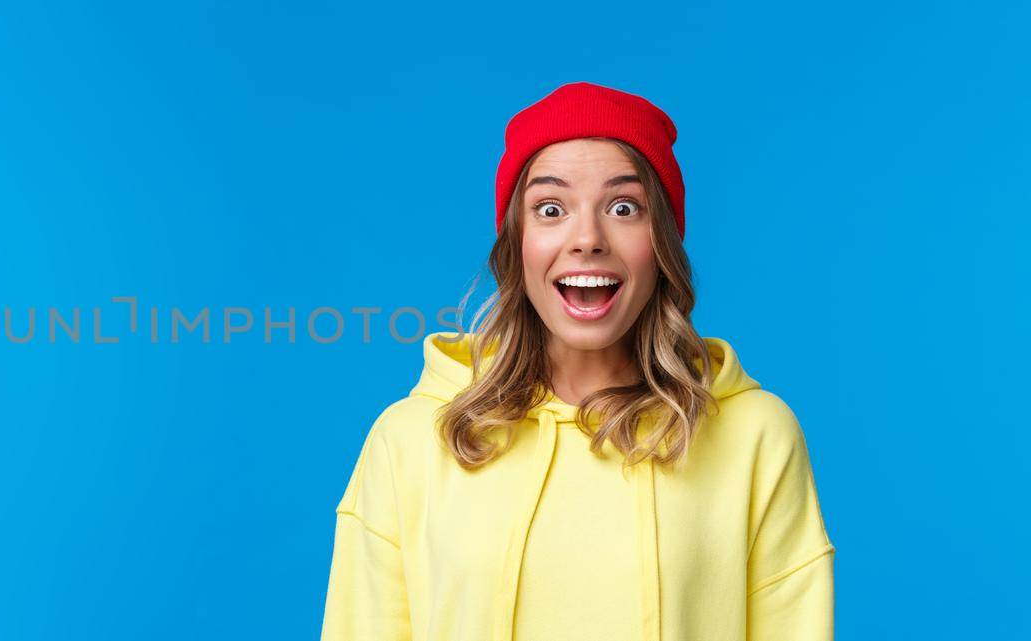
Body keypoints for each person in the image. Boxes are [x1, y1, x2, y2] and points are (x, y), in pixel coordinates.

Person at [319, 82, 834, 641]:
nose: (587, 237)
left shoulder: (756, 436)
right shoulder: (409, 441)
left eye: (622, 207)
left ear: (661, 243)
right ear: (517, 243)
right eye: (550, 208)